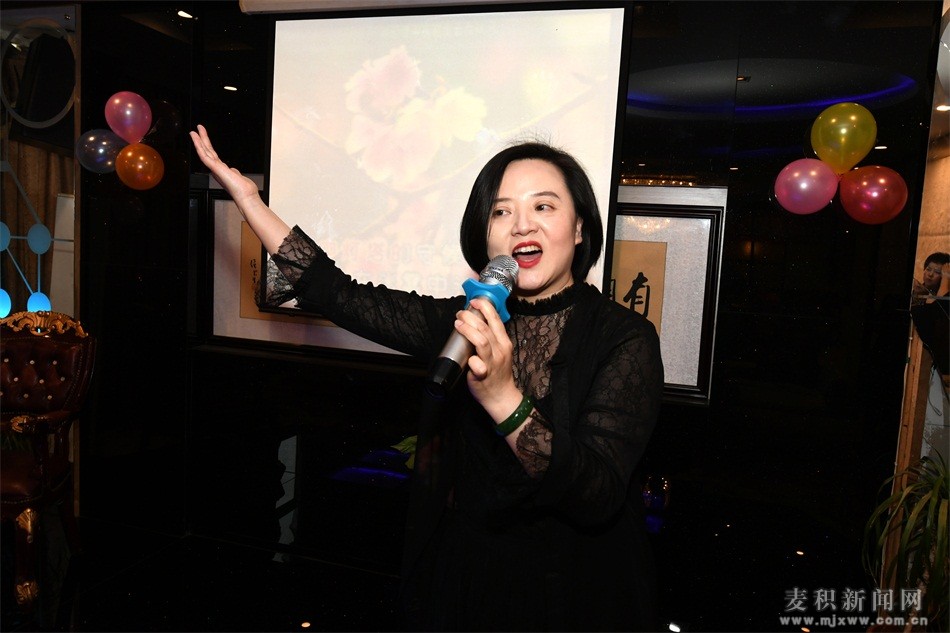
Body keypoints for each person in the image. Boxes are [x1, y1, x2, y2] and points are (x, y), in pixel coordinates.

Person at [190, 124, 664, 632]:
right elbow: (337, 293)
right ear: (485, 234)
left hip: (575, 591)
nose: (521, 226)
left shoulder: (625, 338)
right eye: (501, 212)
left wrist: (503, 397)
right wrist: (250, 201)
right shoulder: (462, 322)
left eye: (543, 207)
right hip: (471, 581)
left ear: (579, 228)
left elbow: (595, 494)